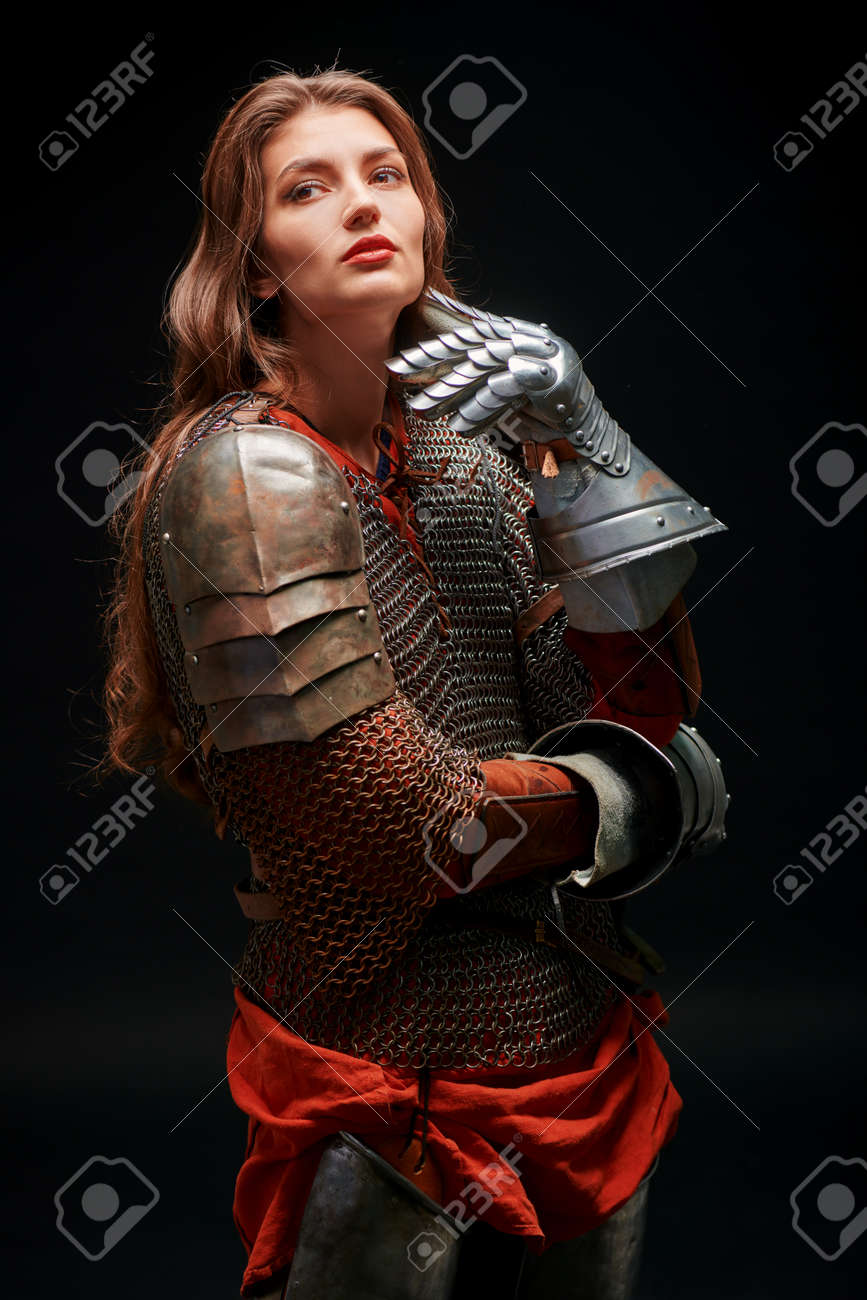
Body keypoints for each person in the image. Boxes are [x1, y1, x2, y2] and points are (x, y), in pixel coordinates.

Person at [99, 67, 729, 1299]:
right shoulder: (245, 480)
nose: (361, 203)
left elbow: (633, 711)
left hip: (566, 1037)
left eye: (386, 175)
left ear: (427, 223)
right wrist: (640, 801)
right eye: (307, 188)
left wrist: (589, 445)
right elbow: (403, 823)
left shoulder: (472, 464)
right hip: (381, 1066)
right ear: (257, 269)